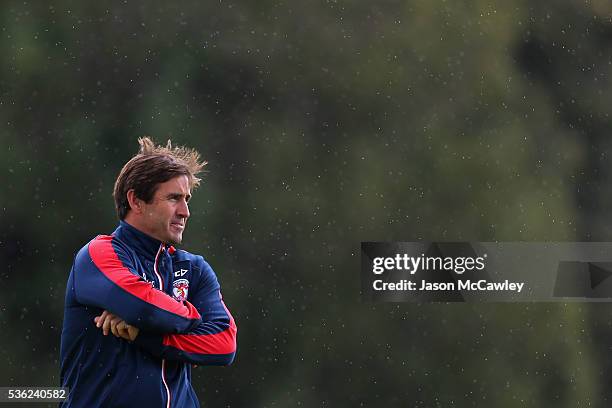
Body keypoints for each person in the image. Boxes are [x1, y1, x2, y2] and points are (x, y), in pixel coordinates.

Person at [60, 137, 237, 407]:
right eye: (174, 198)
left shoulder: (194, 268)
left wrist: (145, 335)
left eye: (187, 199)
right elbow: (146, 309)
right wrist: (192, 315)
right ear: (136, 201)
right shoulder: (98, 254)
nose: (186, 211)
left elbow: (223, 344)